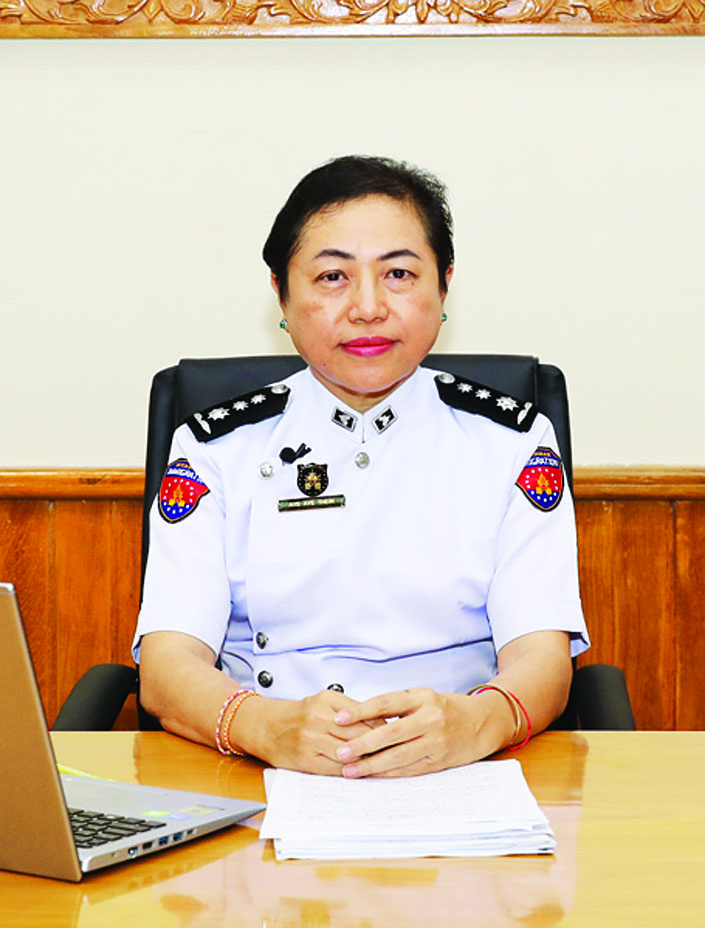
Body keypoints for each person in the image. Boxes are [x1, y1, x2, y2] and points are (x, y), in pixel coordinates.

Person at [134, 155, 589, 778]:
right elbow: (166, 668)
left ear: (443, 286)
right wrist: (265, 727)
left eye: (398, 273)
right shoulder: (217, 446)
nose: (368, 307)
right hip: (260, 767)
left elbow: (542, 656)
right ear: (281, 295)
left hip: (461, 769)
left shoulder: (512, 441)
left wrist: (477, 722)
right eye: (332, 277)